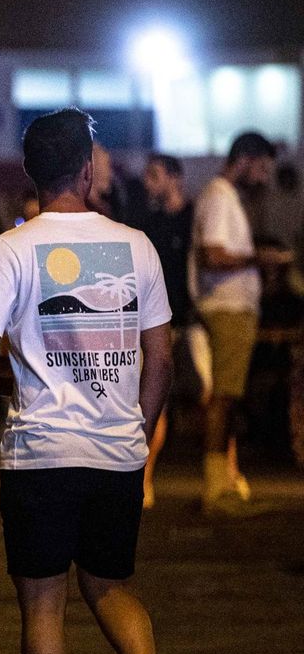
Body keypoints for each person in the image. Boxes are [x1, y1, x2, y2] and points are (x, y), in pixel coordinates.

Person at [0, 108, 178, 654]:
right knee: (111, 586)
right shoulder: (137, 246)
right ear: (87, 169)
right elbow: (162, 353)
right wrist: (136, 428)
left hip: (43, 452)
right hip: (117, 452)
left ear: (30, 173)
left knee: (44, 605)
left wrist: (3, 384)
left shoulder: (14, 248)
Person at [190, 131, 291, 516]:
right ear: (245, 159)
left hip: (232, 308)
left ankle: (224, 483)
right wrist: (258, 259)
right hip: (227, 309)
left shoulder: (223, 196)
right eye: (262, 166)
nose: (265, 176)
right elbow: (213, 256)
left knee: (228, 397)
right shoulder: (219, 196)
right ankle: (216, 489)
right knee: (224, 398)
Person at [137, 154, 194, 510]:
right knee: (155, 400)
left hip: (191, 317)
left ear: (175, 178)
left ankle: (224, 473)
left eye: (154, 175)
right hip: (156, 322)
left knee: (208, 395)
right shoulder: (148, 223)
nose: (148, 183)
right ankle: (145, 478)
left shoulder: (194, 218)